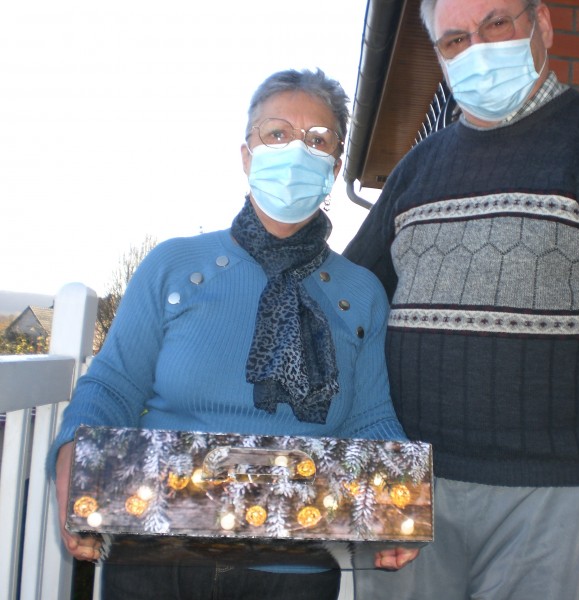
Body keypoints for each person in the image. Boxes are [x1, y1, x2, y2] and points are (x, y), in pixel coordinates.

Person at [343, 1, 579, 599]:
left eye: (496, 23)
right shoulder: (416, 171)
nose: (478, 49)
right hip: (409, 495)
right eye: (455, 40)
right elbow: (342, 306)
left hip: (554, 503)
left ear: (541, 23)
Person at [49, 68, 416, 600]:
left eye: (317, 140)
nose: (297, 151)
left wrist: (403, 498)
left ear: (335, 167)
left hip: (293, 571)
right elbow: (113, 385)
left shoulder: (360, 293)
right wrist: (71, 454)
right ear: (247, 155)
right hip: (155, 557)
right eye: (277, 133)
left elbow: (371, 418)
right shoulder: (173, 267)